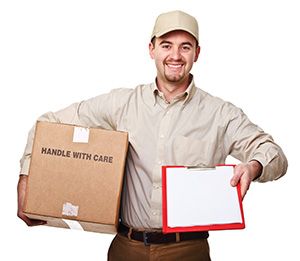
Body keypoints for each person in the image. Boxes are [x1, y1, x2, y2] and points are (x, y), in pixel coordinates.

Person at [17, 10, 288, 260]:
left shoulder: (220, 114)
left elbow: (274, 154)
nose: (176, 55)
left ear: (197, 53)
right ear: (152, 49)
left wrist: (253, 166)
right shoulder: (121, 104)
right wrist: (27, 179)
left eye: (185, 47)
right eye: (166, 45)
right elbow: (49, 123)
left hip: (188, 250)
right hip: (127, 247)